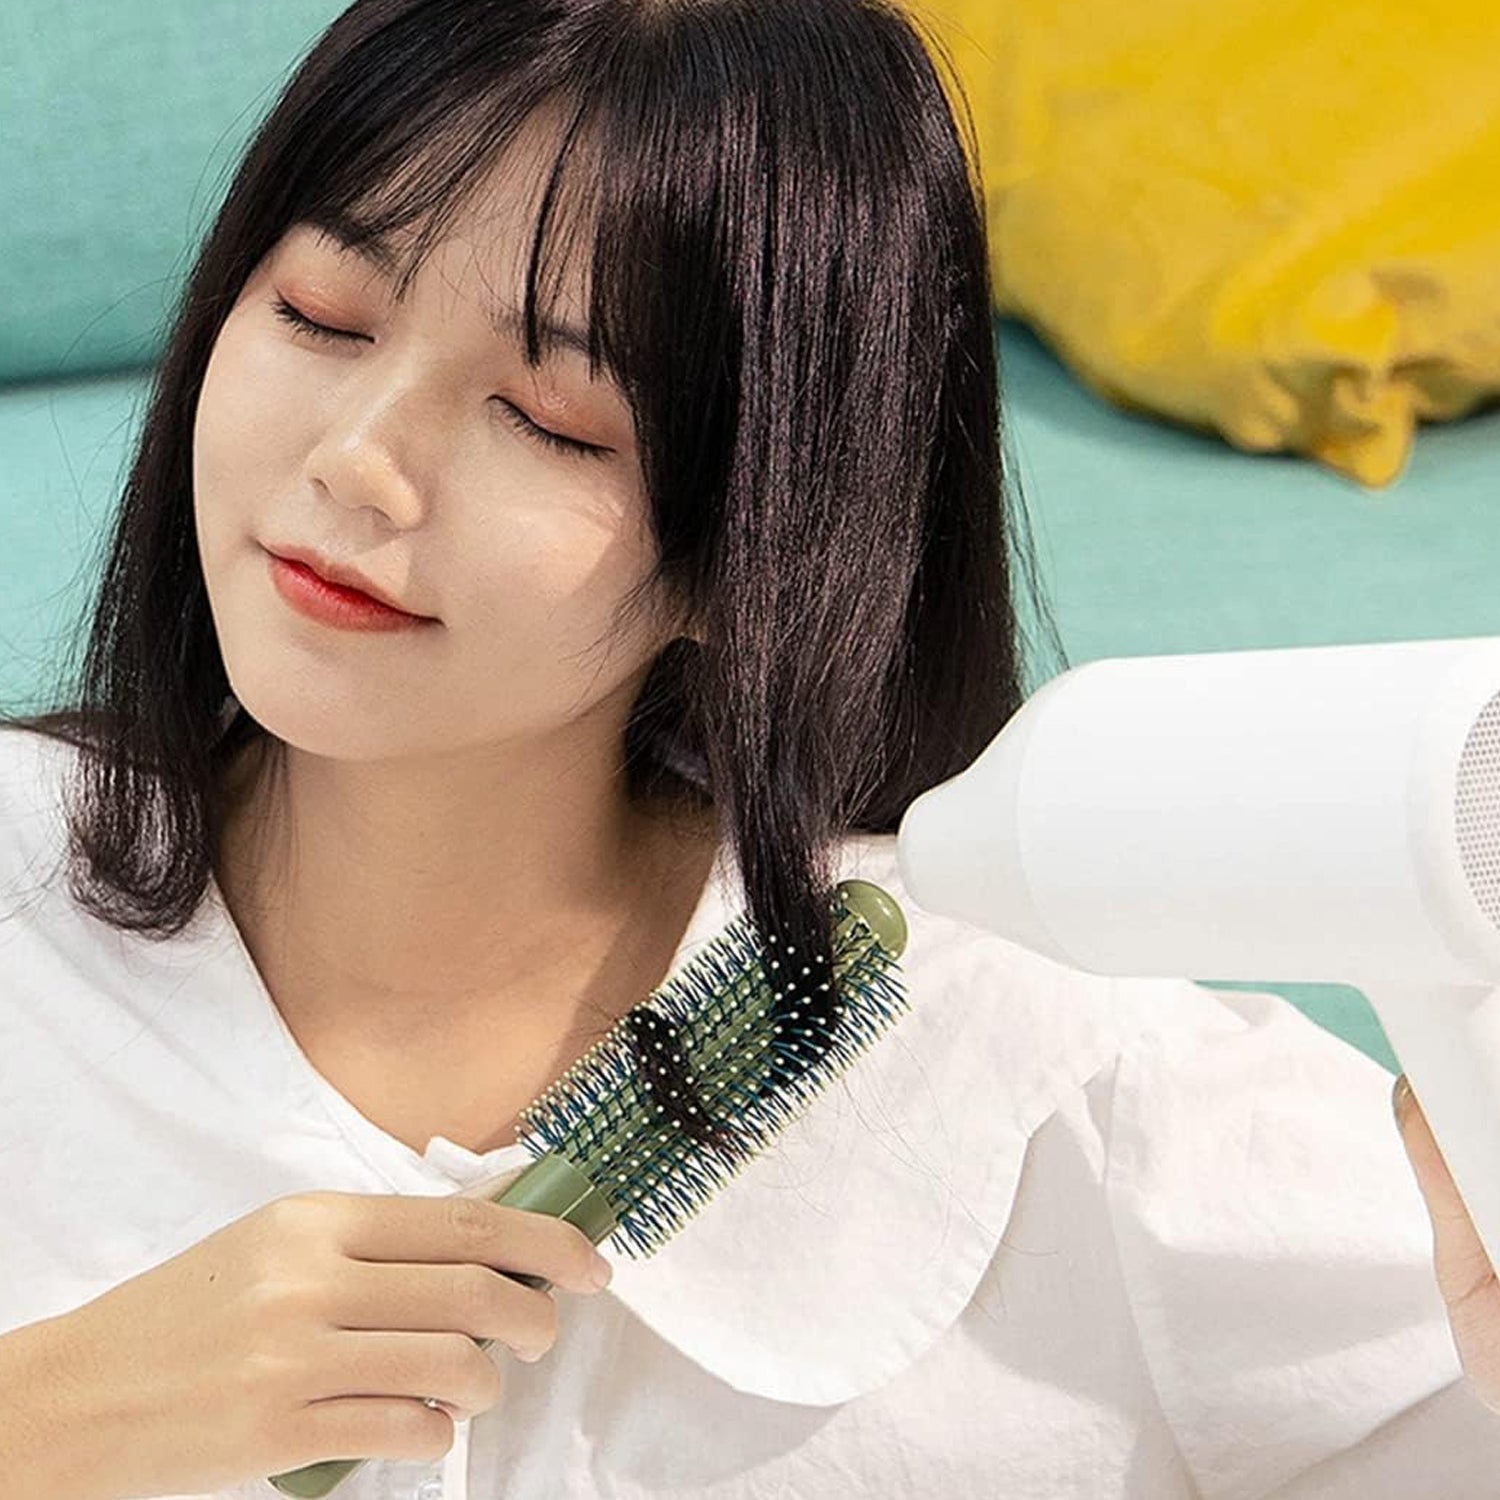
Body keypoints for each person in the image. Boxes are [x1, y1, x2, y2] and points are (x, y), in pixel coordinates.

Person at [0, 0, 1496, 1495]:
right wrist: (51, 1413)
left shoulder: (1064, 1076)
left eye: (550, 418)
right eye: (323, 317)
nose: (358, 462)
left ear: (762, 546)